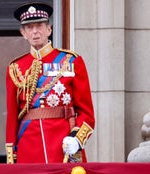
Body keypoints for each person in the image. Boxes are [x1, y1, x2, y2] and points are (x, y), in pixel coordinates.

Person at [5, 2, 95, 164]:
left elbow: (87, 113)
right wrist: (12, 155)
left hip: (63, 141)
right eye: (29, 27)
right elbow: (12, 117)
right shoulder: (16, 67)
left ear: (49, 29)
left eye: (39, 25)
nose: (35, 31)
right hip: (29, 145)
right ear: (23, 33)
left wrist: (76, 139)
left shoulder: (72, 61)